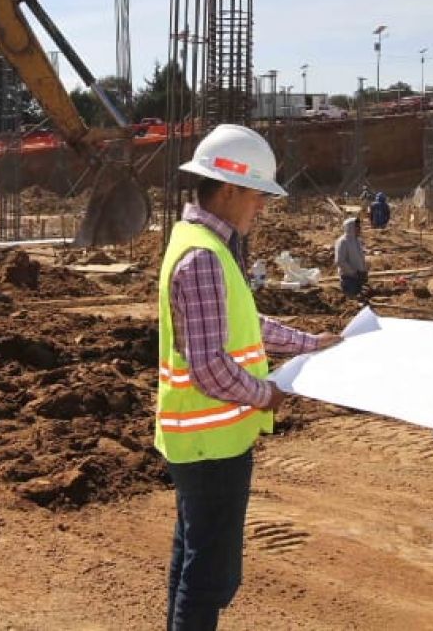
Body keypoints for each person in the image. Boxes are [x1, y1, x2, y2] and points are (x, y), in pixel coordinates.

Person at [157, 123, 338, 630]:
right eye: (259, 196)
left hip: (204, 441)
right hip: (210, 445)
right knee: (208, 576)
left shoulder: (204, 245)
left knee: (193, 559)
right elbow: (210, 366)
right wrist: (267, 394)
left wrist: (311, 342)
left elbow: (244, 323)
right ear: (231, 187)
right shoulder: (203, 258)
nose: (262, 207)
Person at [334, 216, 368, 297]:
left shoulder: (357, 240)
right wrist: (353, 272)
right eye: (357, 227)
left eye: (359, 226)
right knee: (352, 299)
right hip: (348, 278)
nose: (359, 229)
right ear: (350, 227)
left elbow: (360, 257)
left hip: (359, 276)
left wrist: (363, 270)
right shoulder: (342, 242)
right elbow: (339, 261)